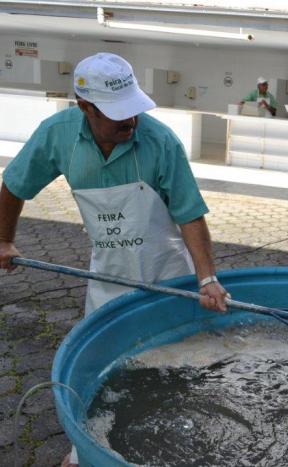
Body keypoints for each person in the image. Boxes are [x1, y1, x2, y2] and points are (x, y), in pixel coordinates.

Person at [0, 54, 231, 466]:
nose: (132, 124)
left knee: (173, 370)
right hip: (106, 272)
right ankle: (85, 452)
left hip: (165, 272)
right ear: (85, 107)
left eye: (134, 113)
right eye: (119, 117)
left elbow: (189, 214)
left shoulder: (160, 141)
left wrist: (207, 278)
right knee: (102, 373)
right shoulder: (57, 136)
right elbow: (14, 186)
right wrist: (4, 241)